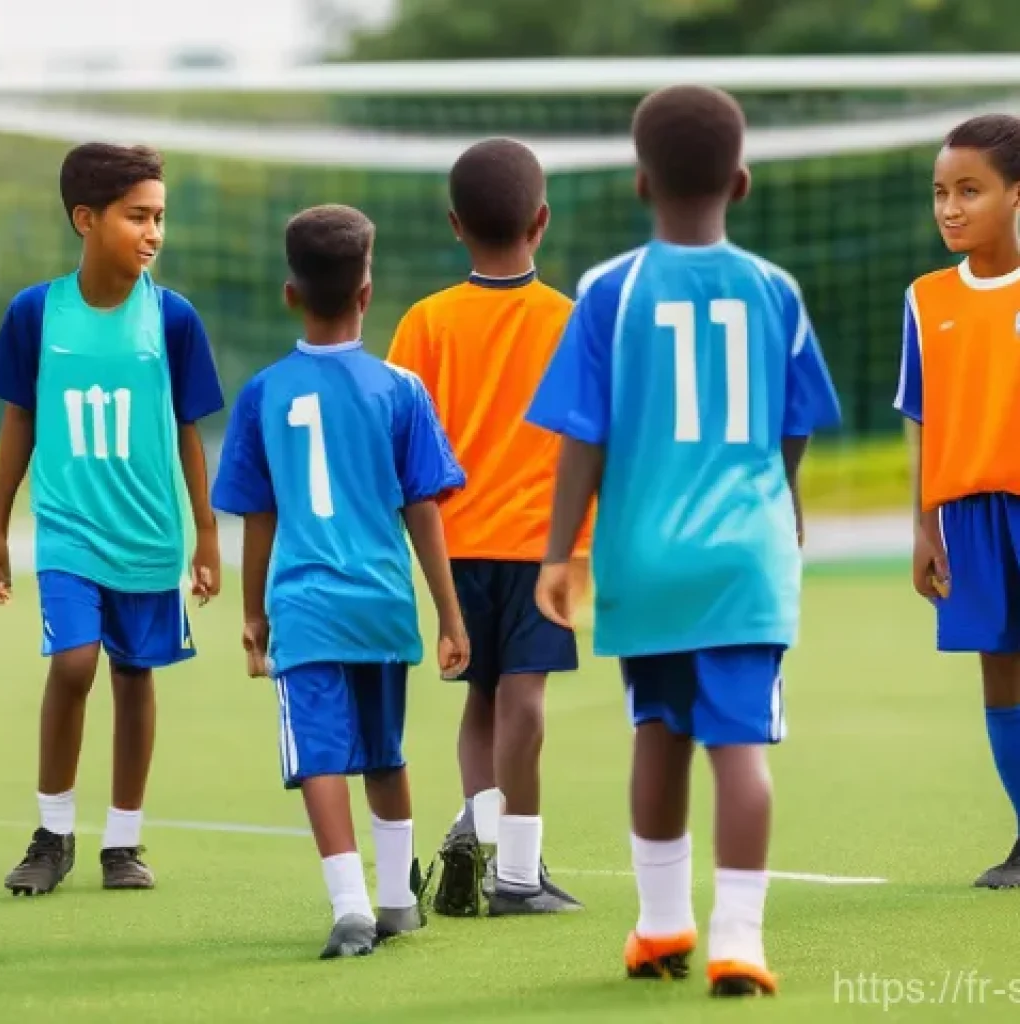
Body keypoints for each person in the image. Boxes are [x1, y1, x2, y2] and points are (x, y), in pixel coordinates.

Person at [527, 86, 841, 996]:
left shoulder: (607, 290)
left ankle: (662, 927)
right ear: (740, 183)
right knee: (740, 748)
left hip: (645, 556)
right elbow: (796, 425)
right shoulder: (774, 289)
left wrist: (557, 552)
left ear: (639, 181)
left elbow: (582, 434)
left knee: (657, 734)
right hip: (746, 556)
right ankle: (739, 940)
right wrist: (779, 502)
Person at [211, 204, 470, 958]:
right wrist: (449, 617)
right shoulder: (402, 389)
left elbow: (257, 515)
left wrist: (254, 612)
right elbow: (424, 512)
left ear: (291, 293)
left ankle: (350, 907)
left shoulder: (264, 394)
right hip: (383, 603)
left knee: (319, 756)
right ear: (367, 292)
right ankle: (396, 903)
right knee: (385, 753)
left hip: (307, 606)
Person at [0, 143, 223, 897]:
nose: (153, 231)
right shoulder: (36, 312)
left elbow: (190, 429)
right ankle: (53, 833)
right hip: (66, 531)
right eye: (137, 216)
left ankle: (122, 842)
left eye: (159, 216)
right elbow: (19, 424)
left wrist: (207, 534)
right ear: (85, 220)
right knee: (73, 664)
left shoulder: (173, 317)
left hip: (150, 536)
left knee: (134, 675)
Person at [388, 138, 589, 918]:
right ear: (541, 220)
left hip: (453, 548)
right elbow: (592, 442)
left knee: (482, 702)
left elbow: (400, 445)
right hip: (541, 550)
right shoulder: (572, 320)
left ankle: (479, 828)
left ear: (453, 224)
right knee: (524, 703)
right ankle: (516, 874)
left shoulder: (424, 322)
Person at [896, 113, 1020, 891]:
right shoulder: (924, 298)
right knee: (1000, 672)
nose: (950, 208)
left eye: (969, 191)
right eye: (941, 192)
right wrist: (924, 525)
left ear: (1015, 196)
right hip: (967, 517)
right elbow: (921, 415)